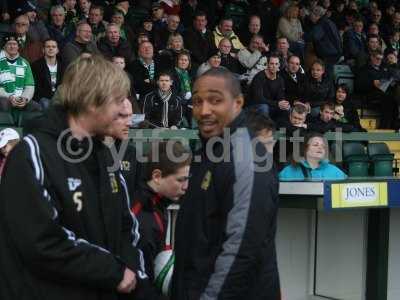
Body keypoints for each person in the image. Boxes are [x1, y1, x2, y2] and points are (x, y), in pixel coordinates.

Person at [0, 55, 152, 300]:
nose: (124, 109)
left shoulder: (105, 157)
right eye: (117, 100)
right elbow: (42, 242)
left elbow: (126, 230)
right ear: (93, 102)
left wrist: (137, 279)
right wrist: (114, 271)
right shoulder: (32, 154)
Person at [171, 68, 281, 300]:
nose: (204, 110)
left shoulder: (246, 159)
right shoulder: (211, 151)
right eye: (198, 101)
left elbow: (242, 249)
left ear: (238, 103)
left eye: (215, 100)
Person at [132, 141, 191, 289]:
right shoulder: (142, 217)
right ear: (157, 176)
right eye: (180, 180)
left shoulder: (158, 204)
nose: (186, 187)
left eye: (187, 179)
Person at [279, 132, 347, 180]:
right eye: (315, 145)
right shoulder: (288, 172)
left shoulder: (335, 172)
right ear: (305, 149)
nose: (320, 148)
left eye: (323, 146)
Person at [0, 32, 40, 112]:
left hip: (20, 97)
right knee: (4, 104)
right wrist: (10, 97)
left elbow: (29, 85)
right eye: (9, 44)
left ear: (18, 46)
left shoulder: (25, 63)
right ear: (4, 46)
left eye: (14, 44)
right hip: (3, 97)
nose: (12, 46)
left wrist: (25, 98)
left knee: (36, 107)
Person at [248, 53, 288, 120]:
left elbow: (280, 97)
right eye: (271, 63)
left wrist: (283, 104)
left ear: (279, 65)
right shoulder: (259, 77)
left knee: (287, 108)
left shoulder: (280, 79)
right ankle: (265, 129)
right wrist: (277, 103)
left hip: (270, 105)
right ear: (267, 64)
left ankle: (281, 129)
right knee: (264, 107)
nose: (274, 66)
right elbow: (259, 99)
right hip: (254, 106)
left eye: (276, 64)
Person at [31, 39, 63, 108]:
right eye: (48, 47)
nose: (51, 48)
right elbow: (36, 88)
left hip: (60, 97)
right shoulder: (36, 66)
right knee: (46, 103)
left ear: (57, 50)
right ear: (43, 50)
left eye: (53, 47)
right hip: (43, 98)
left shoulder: (63, 66)